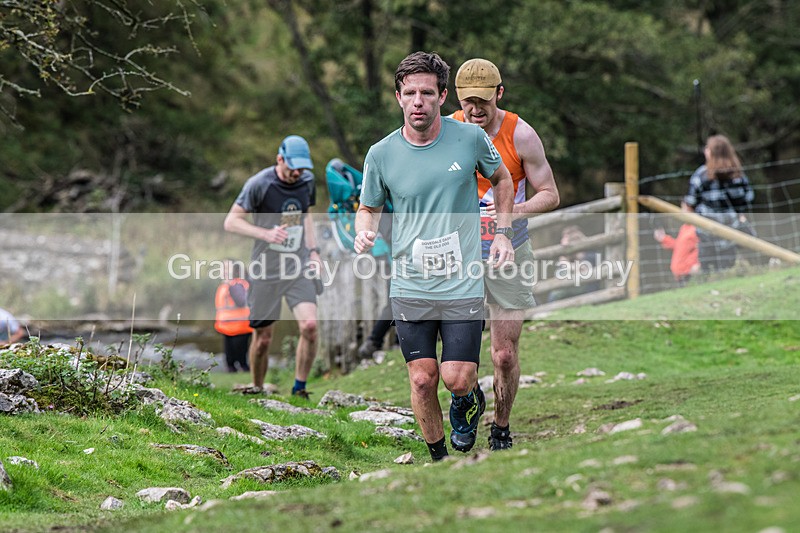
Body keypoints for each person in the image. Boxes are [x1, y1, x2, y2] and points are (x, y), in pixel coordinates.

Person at [354, 51, 515, 461]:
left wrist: (502, 233)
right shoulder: (382, 153)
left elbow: (503, 180)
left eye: (427, 92)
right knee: (423, 380)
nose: (418, 101)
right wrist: (364, 232)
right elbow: (368, 207)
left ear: (443, 96)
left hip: (461, 279)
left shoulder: (471, 139)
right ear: (398, 98)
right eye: (410, 93)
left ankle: (466, 399)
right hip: (410, 282)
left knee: (456, 378)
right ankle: (439, 459)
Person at [452, 58, 559, 450]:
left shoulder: (521, 134)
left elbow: (550, 194)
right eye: (467, 102)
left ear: (500, 93)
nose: (475, 110)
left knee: (503, 355)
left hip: (508, 250)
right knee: (455, 357)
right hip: (458, 253)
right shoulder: (448, 130)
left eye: (483, 101)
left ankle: (501, 426)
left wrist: (510, 211)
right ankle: (466, 399)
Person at [223, 135, 321, 398]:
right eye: (292, 168)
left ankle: (299, 388)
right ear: (279, 159)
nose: (297, 173)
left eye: (302, 169)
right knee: (263, 338)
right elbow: (231, 222)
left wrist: (313, 252)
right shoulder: (259, 184)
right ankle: (256, 387)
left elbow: (307, 216)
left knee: (310, 326)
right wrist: (265, 234)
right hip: (265, 269)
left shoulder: (306, 182)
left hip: (298, 266)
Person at [684, 134, 755, 272]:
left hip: (706, 231)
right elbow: (748, 198)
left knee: (708, 269)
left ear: (711, 152)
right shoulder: (738, 174)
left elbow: (691, 201)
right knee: (727, 267)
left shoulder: (701, 175)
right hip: (731, 230)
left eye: (707, 148)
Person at [214, 259, 253, 373]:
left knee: (241, 356)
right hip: (228, 326)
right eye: (222, 268)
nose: (223, 271)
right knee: (229, 356)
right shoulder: (227, 284)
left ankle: (244, 369)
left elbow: (241, 301)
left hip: (240, 326)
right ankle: (233, 369)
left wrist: (230, 285)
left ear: (235, 270)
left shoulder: (236, 284)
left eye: (227, 268)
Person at [546, 225, 602, 303]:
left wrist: (567, 264)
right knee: (555, 293)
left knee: (556, 293)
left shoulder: (591, 255)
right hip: (572, 290)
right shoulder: (567, 257)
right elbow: (560, 277)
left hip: (588, 291)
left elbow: (584, 272)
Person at [653, 202, 700, 284]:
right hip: (680, 274)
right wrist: (664, 238)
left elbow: (702, 249)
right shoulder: (685, 227)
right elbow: (679, 246)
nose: (681, 211)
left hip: (690, 273)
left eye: (683, 208)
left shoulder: (697, 228)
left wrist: (697, 264)